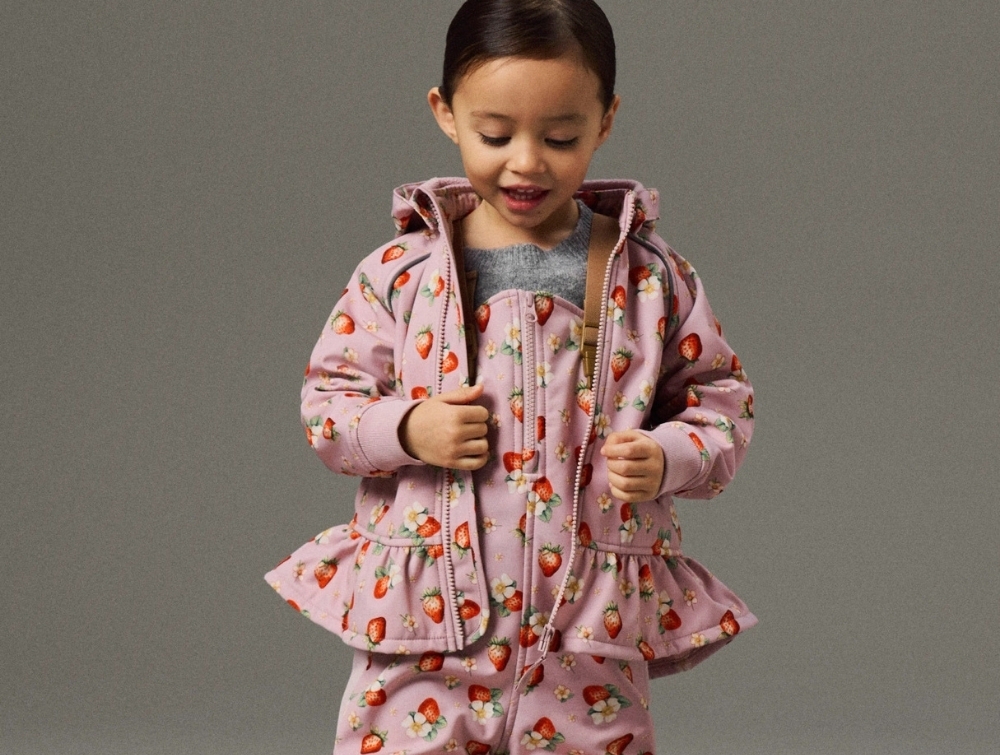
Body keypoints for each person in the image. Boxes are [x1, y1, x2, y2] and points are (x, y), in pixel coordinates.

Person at [265, 1, 757, 752]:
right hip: (428, 625)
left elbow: (722, 403)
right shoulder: (399, 275)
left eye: (560, 138)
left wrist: (670, 456)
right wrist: (407, 429)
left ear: (606, 120)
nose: (527, 162)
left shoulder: (649, 278)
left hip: (587, 630)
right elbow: (327, 405)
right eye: (495, 135)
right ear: (446, 113)